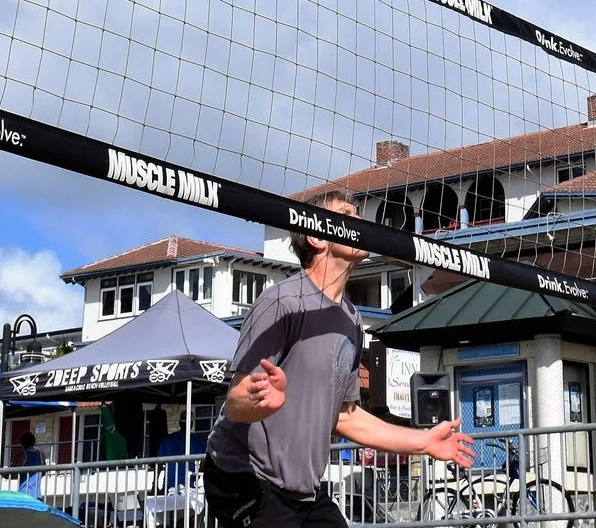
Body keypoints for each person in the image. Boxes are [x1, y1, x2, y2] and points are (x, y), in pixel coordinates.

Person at [204, 190, 476, 528]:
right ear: (317, 236)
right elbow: (234, 402)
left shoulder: (351, 319)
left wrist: (423, 441)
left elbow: (346, 418)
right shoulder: (283, 302)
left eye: (359, 213)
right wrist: (259, 400)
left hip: (301, 488)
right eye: (347, 213)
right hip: (242, 475)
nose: (360, 221)